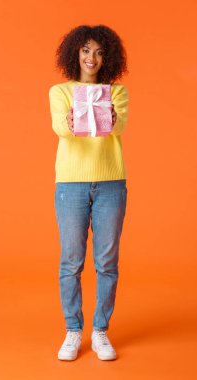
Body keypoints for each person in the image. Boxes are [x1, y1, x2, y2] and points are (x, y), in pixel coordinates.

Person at [48, 24, 129, 361]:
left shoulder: (117, 91)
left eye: (98, 51)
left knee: (107, 262)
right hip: (70, 182)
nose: (91, 57)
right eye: (85, 50)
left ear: (106, 56)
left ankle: (100, 331)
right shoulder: (60, 91)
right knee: (71, 261)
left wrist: (107, 113)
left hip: (111, 181)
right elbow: (61, 130)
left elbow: (119, 126)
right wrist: (72, 118)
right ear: (74, 54)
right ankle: (72, 330)